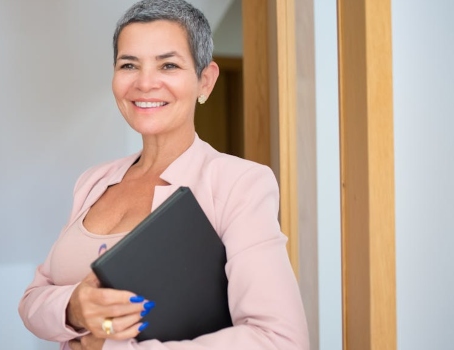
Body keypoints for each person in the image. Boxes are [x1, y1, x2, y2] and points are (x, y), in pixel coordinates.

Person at [18, 0, 309, 349]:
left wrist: (109, 346)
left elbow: (279, 339)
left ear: (204, 81)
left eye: (168, 65)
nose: (145, 83)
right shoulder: (93, 181)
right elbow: (34, 298)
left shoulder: (239, 184)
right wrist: (74, 309)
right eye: (129, 65)